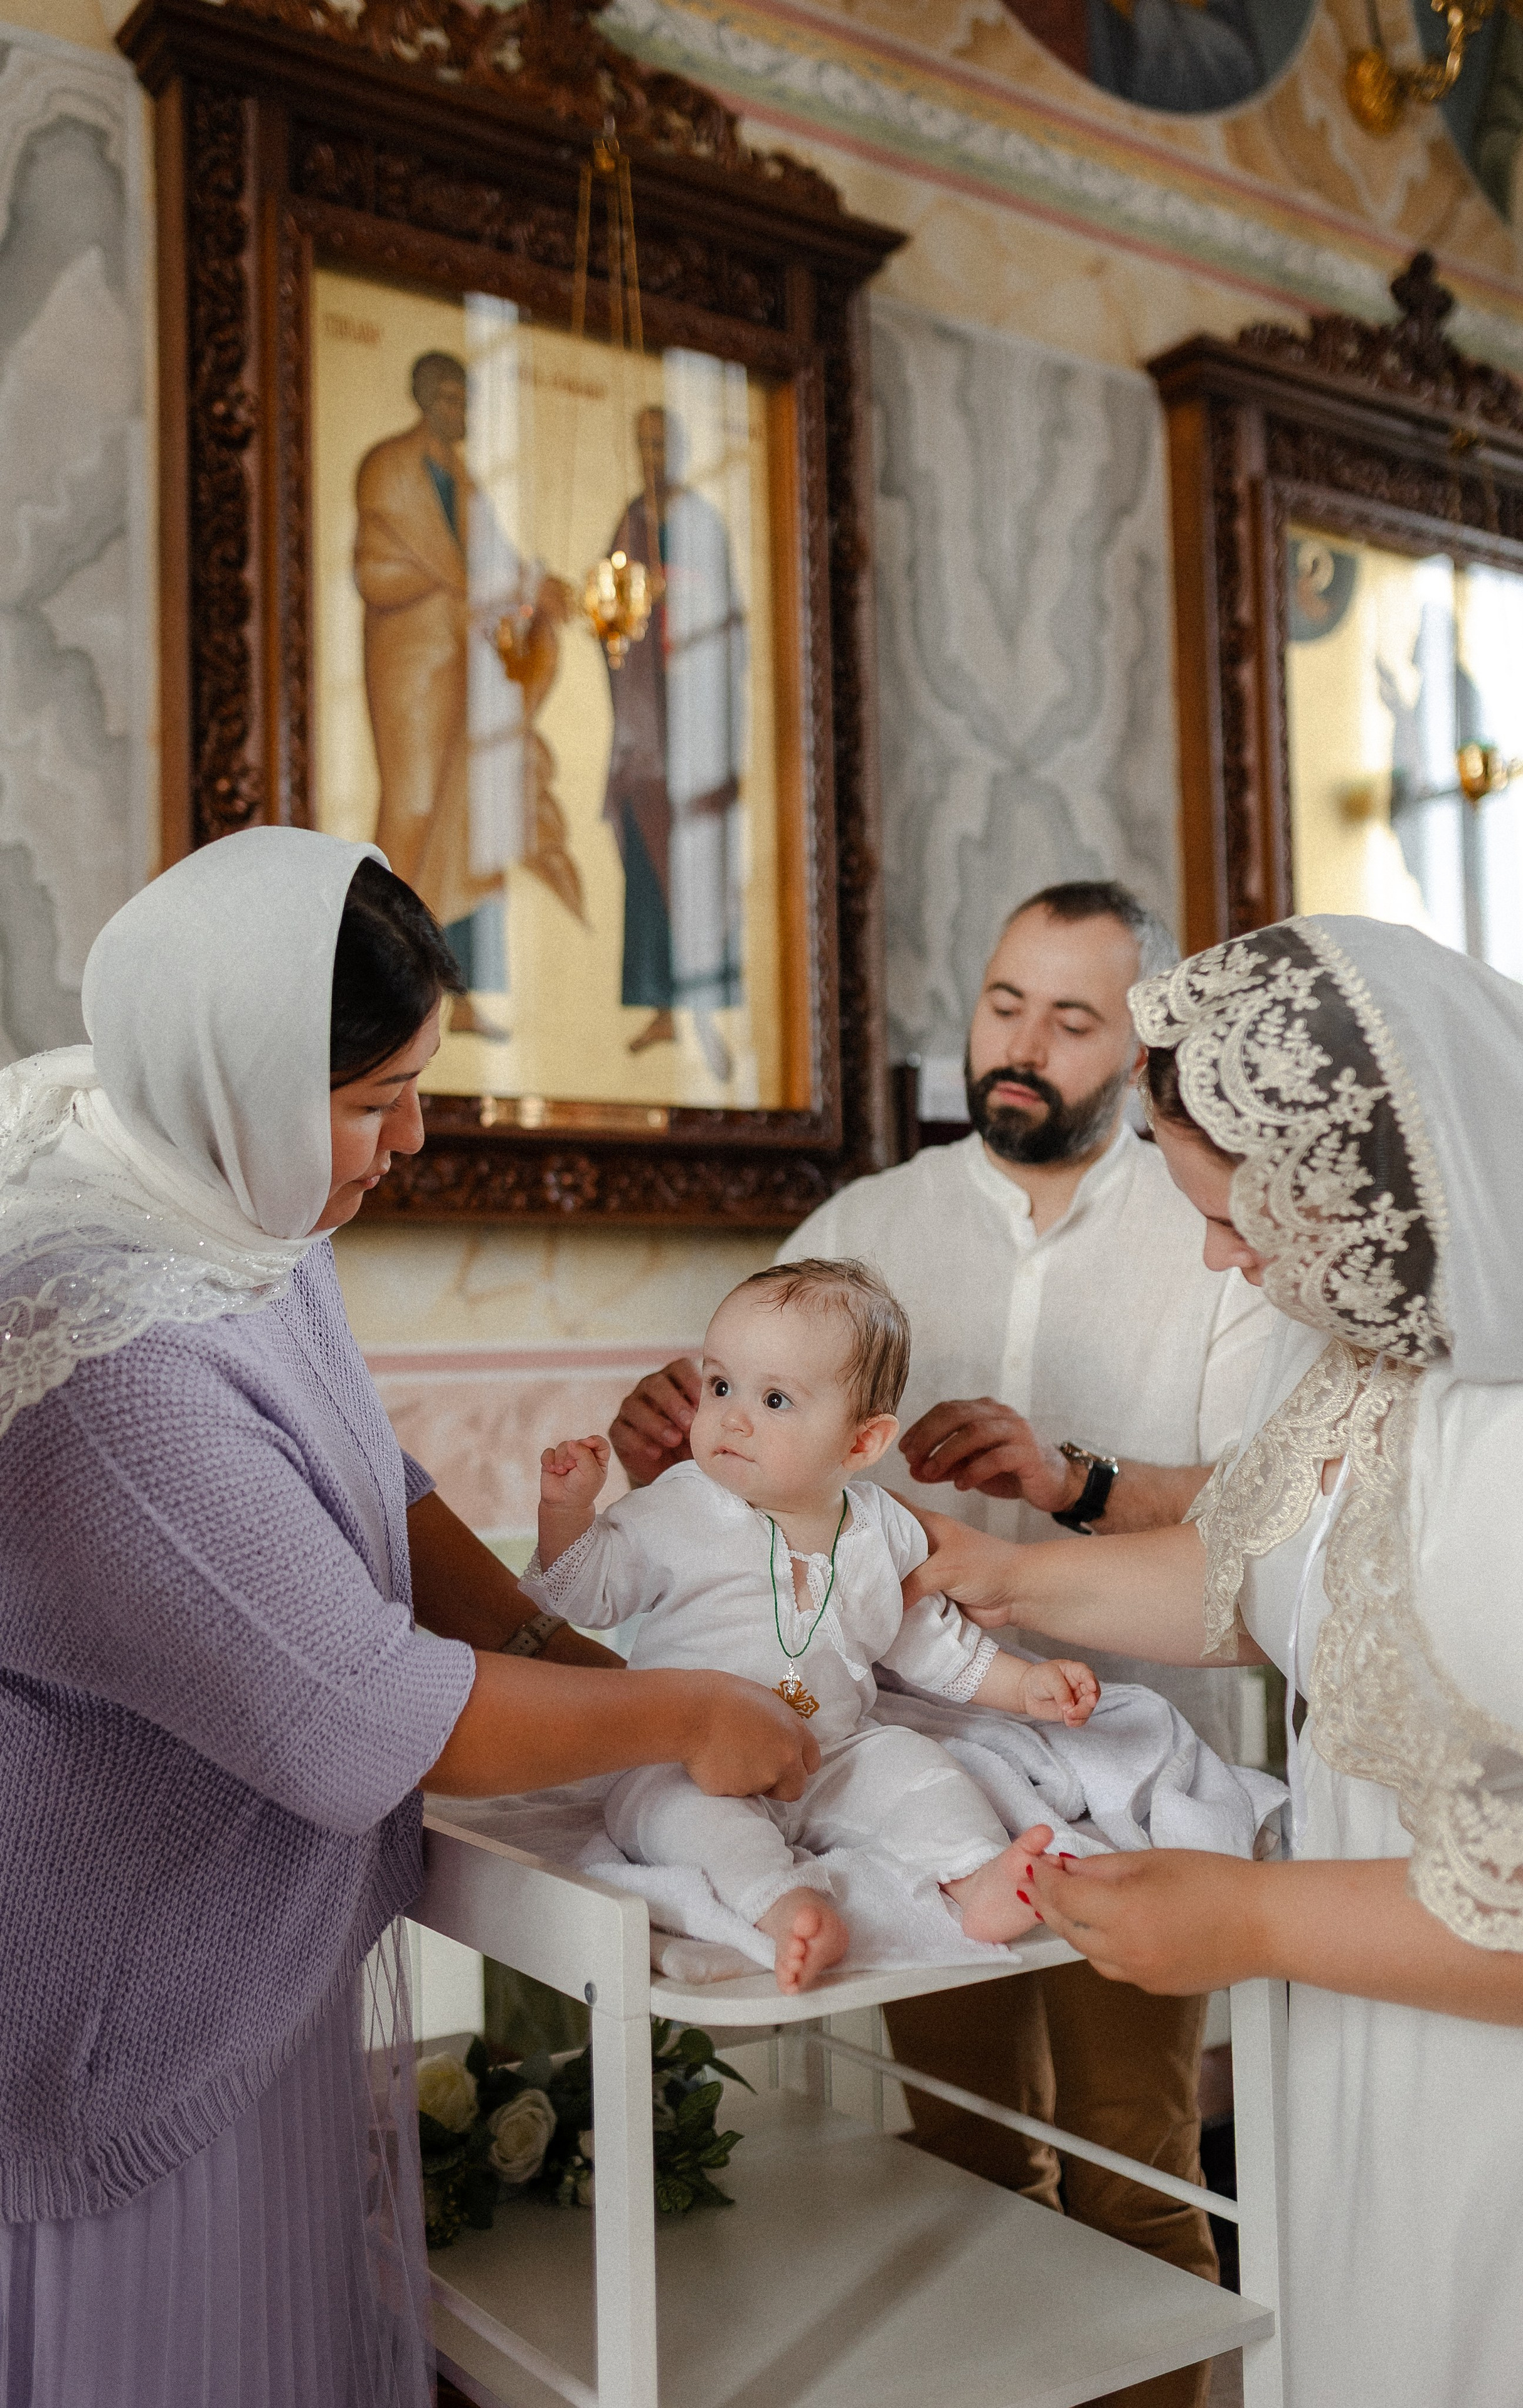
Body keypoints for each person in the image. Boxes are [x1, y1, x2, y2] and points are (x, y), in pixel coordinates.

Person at [0, 827, 816, 2408]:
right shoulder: (108, 1370)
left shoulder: (213, 1195)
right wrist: (685, 1710)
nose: (414, 1136)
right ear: (239, 1078)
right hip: (124, 1987)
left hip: (213, 1931)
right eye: (375, 1099)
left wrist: (555, 1644)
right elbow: (358, 1714)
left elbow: (370, 1469)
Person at [905, 914, 1523, 2408]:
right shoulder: (1367, 1351)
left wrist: (1255, 1916)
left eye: (1237, 1218)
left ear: (1360, 1190)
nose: (1219, 1255)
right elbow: (1262, 1577)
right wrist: (997, 1571)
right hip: (1369, 2040)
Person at [608, 879, 1277, 2408]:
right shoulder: (864, 1225)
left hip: (1121, 1753)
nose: (1020, 1044)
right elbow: (744, 1415)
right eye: (999, 1003)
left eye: (1069, 1016)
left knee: (1134, 2161)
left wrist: (1068, 1479)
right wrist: (670, 1423)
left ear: (1133, 1043)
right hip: (899, 1772)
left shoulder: (1211, 1227)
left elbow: (1260, 1523)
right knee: (959, 2159)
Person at [529, 1260, 1100, 1990]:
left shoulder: (881, 1529)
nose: (733, 1417)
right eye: (720, 1385)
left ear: (862, 1444)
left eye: (774, 1399)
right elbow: (587, 1593)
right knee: (680, 1818)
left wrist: (1028, 1686)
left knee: (918, 1771)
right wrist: (566, 1515)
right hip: (683, 1757)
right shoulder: (679, 1506)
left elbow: (931, 1643)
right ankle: (782, 1904)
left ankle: (973, 1877)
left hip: (832, 1751)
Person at [354, 349, 574, 1024]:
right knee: (415, 809)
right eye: (450, 398)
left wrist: (538, 592)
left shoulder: (467, 482)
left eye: (467, 400)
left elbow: (499, 570)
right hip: (416, 666)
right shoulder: (390, 468)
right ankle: (386, 1000)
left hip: (469, 669)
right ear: (425, 398)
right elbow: (376, 572)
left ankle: (462, 994)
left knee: (472, 818)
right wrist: (455, 598)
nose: (461, 412)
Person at [601, 404, 747, 1079]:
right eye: (643, 443)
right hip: (645, 732)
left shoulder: (701, 523)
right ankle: (659, 1005)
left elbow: (727, 622)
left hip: (695, 735)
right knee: (647, 865)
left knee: (695, 866)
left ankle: (700, 1008)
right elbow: (610, 617)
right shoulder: (631, 520)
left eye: (662, 443)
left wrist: (674, 597)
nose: (652, 455)